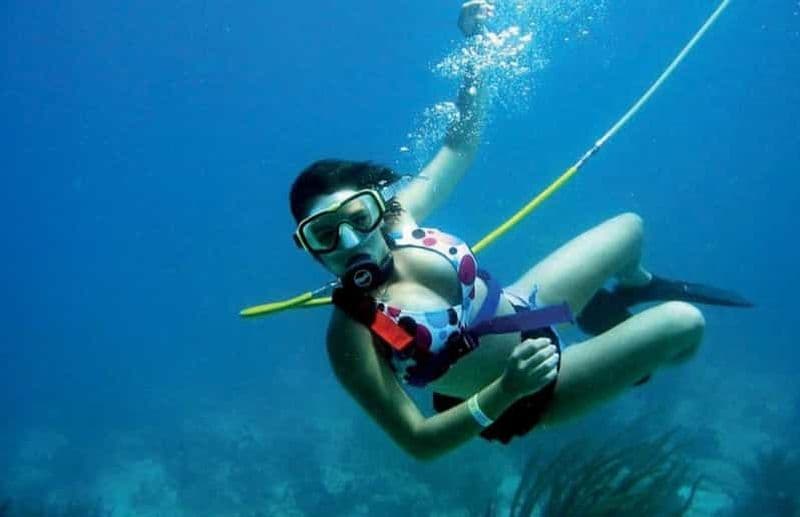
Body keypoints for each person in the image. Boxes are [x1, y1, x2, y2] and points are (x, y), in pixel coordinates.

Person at [287, 0, 752, 460]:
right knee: (685, 323)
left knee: (630, 228)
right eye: (324, 233)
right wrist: (508, 388)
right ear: (306, 246)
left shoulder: (400, 216)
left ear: (378, 204)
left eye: (357, 216)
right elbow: (417, 441)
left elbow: (460, 144)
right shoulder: (350, 336)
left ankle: (629, 292)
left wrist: (474, 48)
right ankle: (639, 368)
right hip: (533, 392)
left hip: (527, 305)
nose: (347, 241)